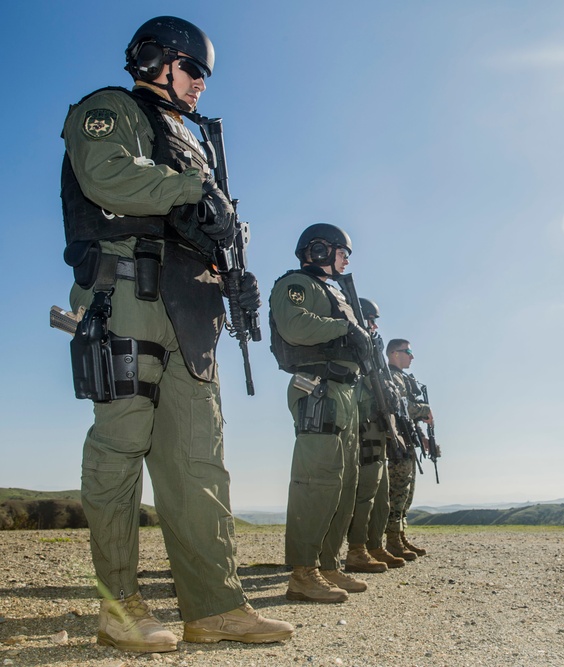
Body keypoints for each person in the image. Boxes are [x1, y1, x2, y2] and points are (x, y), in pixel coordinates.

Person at [61, 16, 292, 653]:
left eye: (205, 78)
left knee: (198, 463)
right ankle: (119, 605)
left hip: (193, 309)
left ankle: (214, 606)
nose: (199, 88)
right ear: (157, 60)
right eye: (193, 71)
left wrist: (234, 278)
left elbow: (204, 223)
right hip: (128, 295)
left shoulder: (192, 141)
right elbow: (107, 176)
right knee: (121, 444)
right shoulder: (109, 111)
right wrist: (197, 190)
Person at [269, 223, 372, 602]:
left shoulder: (334, 292)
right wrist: (346, 328)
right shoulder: (298, 284)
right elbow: (294, 325)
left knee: (343, 482)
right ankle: (303, 570)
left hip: (344, 391)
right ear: (319, 251)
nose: (346, 259)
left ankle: (328, 564)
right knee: (317, 480)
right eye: (342, 251)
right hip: (318, 388)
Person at [344, 298, 406, 572]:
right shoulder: (353, 347)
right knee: (365, 491)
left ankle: (373, 545)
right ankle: (356, 550)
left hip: (377, 426)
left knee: (379, 493)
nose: (375, 325)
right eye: (371, 320)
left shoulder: (371, 351)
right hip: (362, 426)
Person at [385, 338, 434, 558]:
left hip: (407, 441)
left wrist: (422, 437)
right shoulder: (391, 376)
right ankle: (393, 540)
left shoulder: (402, 377)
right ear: (395, 353)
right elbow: (401, 406)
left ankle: (400, 536)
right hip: (395, 444)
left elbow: (409, 417)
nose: (412, 356)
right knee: (397, 492)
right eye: (408, 351)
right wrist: (425, 409)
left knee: (406, 492)